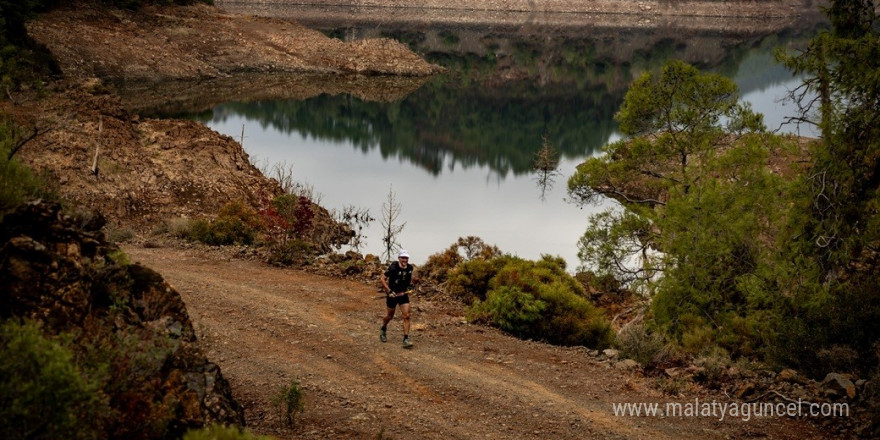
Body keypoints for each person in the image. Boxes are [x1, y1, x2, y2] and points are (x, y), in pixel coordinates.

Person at [380, 250, 416, 348]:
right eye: (403, 258)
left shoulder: (410, 268)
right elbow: (382, 279)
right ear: (399, 258)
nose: (405, 260)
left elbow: (409, 279)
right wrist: (389, 291)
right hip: (393, 295)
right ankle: (383, 328)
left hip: (403, 294)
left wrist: (410, 287)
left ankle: (406, 339)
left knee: (407, 316)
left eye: (406, 258)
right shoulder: (393, 268)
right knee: (390, 316)